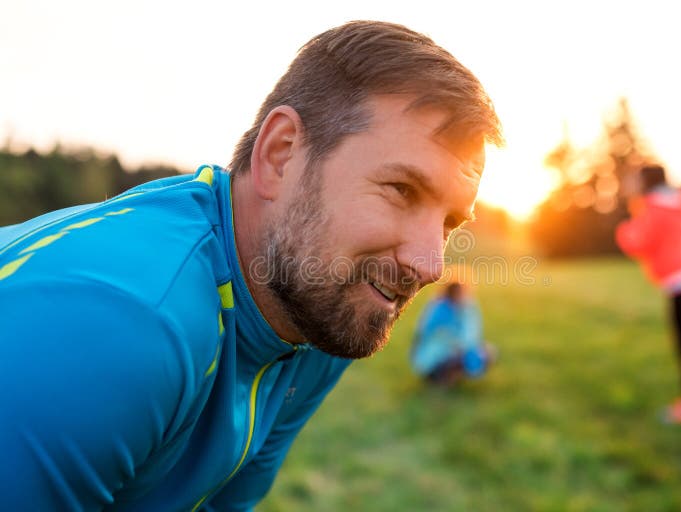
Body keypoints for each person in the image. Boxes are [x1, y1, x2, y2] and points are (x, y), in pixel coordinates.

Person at [0, 21, 502, 510]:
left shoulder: (320, 311)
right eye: (402, 190)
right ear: (281, 155)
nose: (431, 262)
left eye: (450, 222)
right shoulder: (123, 326)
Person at [615, 164, 681, 424]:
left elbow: (637, 243)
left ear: (646, 182)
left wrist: (623, 229)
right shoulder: (677, 202)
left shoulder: (653, 208)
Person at [410, 282, 495, 386]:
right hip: (433, 359)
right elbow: (430, 336)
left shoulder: (465, 309)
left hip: (445, 355)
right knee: (459, 357)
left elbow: (470, 337)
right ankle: (442, 381)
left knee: (486, 352)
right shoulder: (440, 310)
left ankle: (452, 379)